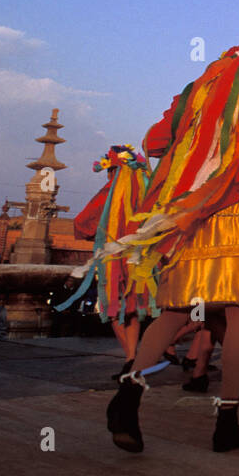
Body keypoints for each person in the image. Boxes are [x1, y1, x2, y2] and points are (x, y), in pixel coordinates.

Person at [105, 47, 239, 453]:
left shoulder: (191, 101)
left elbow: (154, 143)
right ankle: (226, 421)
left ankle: (128, 394)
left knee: (175, 312)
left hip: (189, 218)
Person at [57, 144, 155, 378]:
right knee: (131, 309)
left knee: (113, 309)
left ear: (113, 171)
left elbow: (82, 224)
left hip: (112, 260)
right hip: (139, 258)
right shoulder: (146, 194)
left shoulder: (108, 194)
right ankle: (136, 358)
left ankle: (131, 358)